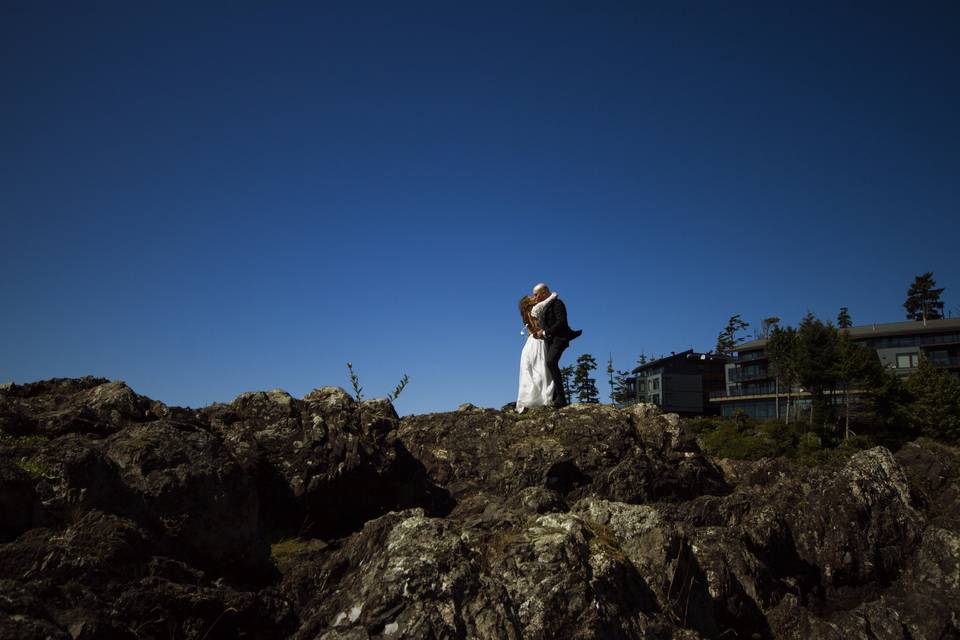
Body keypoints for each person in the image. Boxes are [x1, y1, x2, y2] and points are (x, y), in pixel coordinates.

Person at [532, 283, 582, 407]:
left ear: (544, 292)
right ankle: (553, 397)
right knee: (547, 365)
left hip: (560, 338)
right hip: (549, 340)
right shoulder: (542, 308)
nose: (535, 298)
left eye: (536, 294)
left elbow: (561, 323)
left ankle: (561, 398)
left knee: (550, 362)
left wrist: (544, 332)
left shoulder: (558, 303)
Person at [515, 290, 559, 412]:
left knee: (529, 372)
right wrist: (552, 295)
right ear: (528, 303)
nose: (535, 297)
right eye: (531, 297)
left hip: (529, 344)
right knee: (541, 370)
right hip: (537, 342)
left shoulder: (525, 315)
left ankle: (526, 400)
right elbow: (550, 298)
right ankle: (543, 399)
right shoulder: (535, 309)